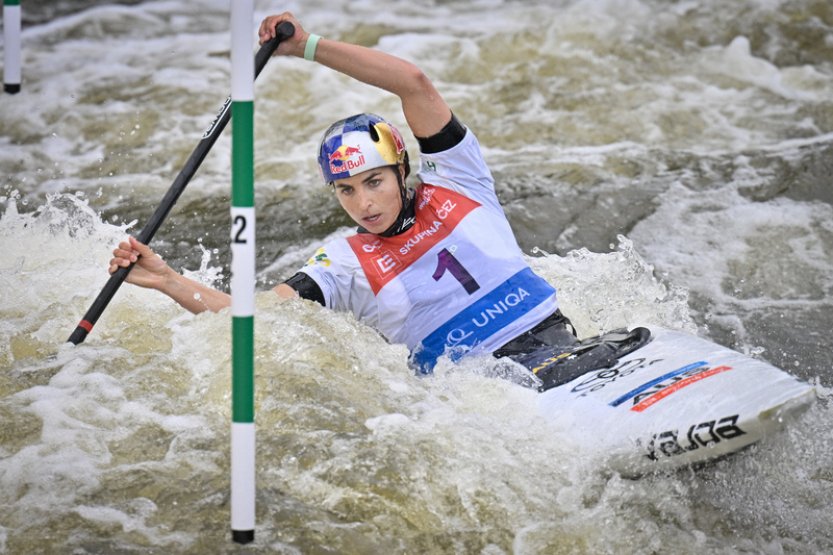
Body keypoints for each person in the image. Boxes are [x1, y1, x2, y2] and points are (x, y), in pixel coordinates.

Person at [109, 11, 578, 375]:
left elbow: (412, 82)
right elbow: (250, 318)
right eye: (346, 190)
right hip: (486, 386)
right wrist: (168, 280)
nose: (364, 203)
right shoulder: (344, 264)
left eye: (374, 181)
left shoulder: (458, 179)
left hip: (560, 343)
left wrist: (307, 46)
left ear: (401, 170)